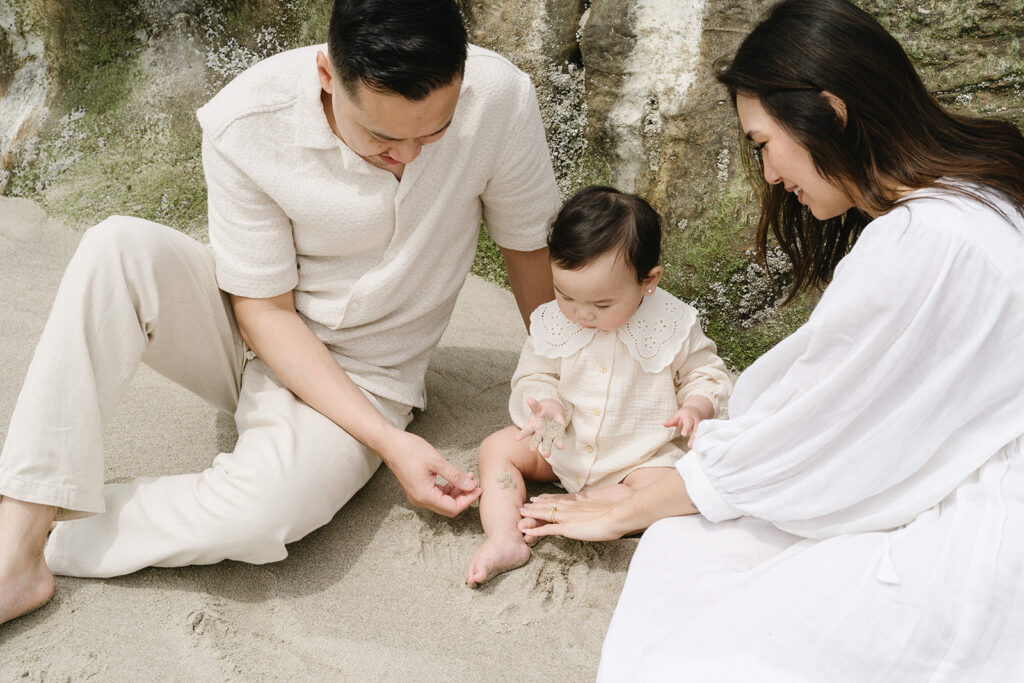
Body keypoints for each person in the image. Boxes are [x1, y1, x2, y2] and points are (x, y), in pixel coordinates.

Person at [0, 0, 560, 624]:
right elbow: (262, 311)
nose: (407, 155)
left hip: (366, 377)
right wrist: (393, 446)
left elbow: (530, 253)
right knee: (116, 246)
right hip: (249, 322)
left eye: (432, 134)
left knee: (261, 515)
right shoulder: (247, 120)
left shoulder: (501, 100)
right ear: (327, 75)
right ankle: (15, 545)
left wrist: (570, 380)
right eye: (381, 137)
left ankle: (54, 534)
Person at [519, 0, 1024, 678]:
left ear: (829, 110)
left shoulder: (923, 240)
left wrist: (646, 499)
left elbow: (828, 432)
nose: (769, 175)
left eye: (762, 143)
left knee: (707, 629)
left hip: (989, 521)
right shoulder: (973, 198)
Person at [465, 186, 731, 587]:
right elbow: (534, 375)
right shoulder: (554, 320)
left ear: (649, 281)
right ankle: (504, 536)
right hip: (564, 442)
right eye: (565, 294)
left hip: (639, 457)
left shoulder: (674, 324)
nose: (580, 313)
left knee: (663, 493)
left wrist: (695, 406)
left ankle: (579, 507)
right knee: (496, 448)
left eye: (602, 305)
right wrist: (548, 408)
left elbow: (706, 373)